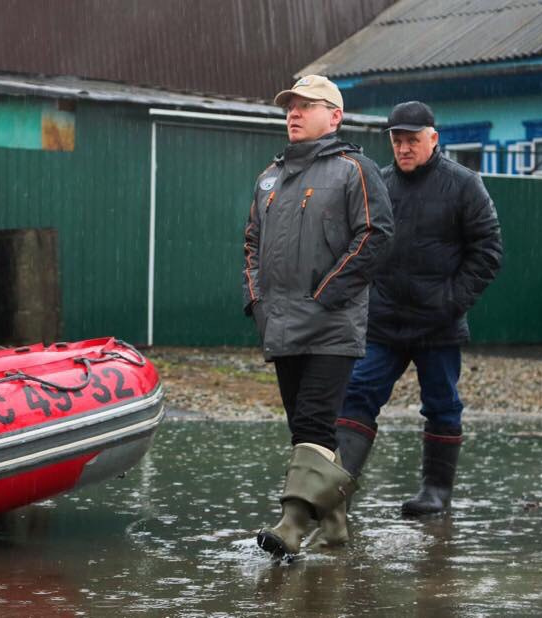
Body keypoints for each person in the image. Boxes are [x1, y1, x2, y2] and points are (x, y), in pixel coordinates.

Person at [242, 75, 394, 557]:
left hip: (332, 324)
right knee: (309, 430)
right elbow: (251, 243)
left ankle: (291, 525)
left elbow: (375, 235)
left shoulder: (355, 169)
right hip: (281, 323)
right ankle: (334, 525)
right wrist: (257, 302)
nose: (294, 112)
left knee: (311, 421)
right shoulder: (269, 176)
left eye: (308, 105)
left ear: (334, 116)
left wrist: (328, 295)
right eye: (291, 105)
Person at [336, 100, 503, 517]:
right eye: (397, 140)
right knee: (356, 393)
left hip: (438, 325)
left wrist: (452, 300)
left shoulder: (464, 185)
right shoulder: (379, 184)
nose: (404, 147)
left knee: (442, 403)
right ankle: (335, 490)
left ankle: (436, 493)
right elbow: (358, 244)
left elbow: (488, 251)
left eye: (413, 139)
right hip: (384, 321)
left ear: (434, 138)